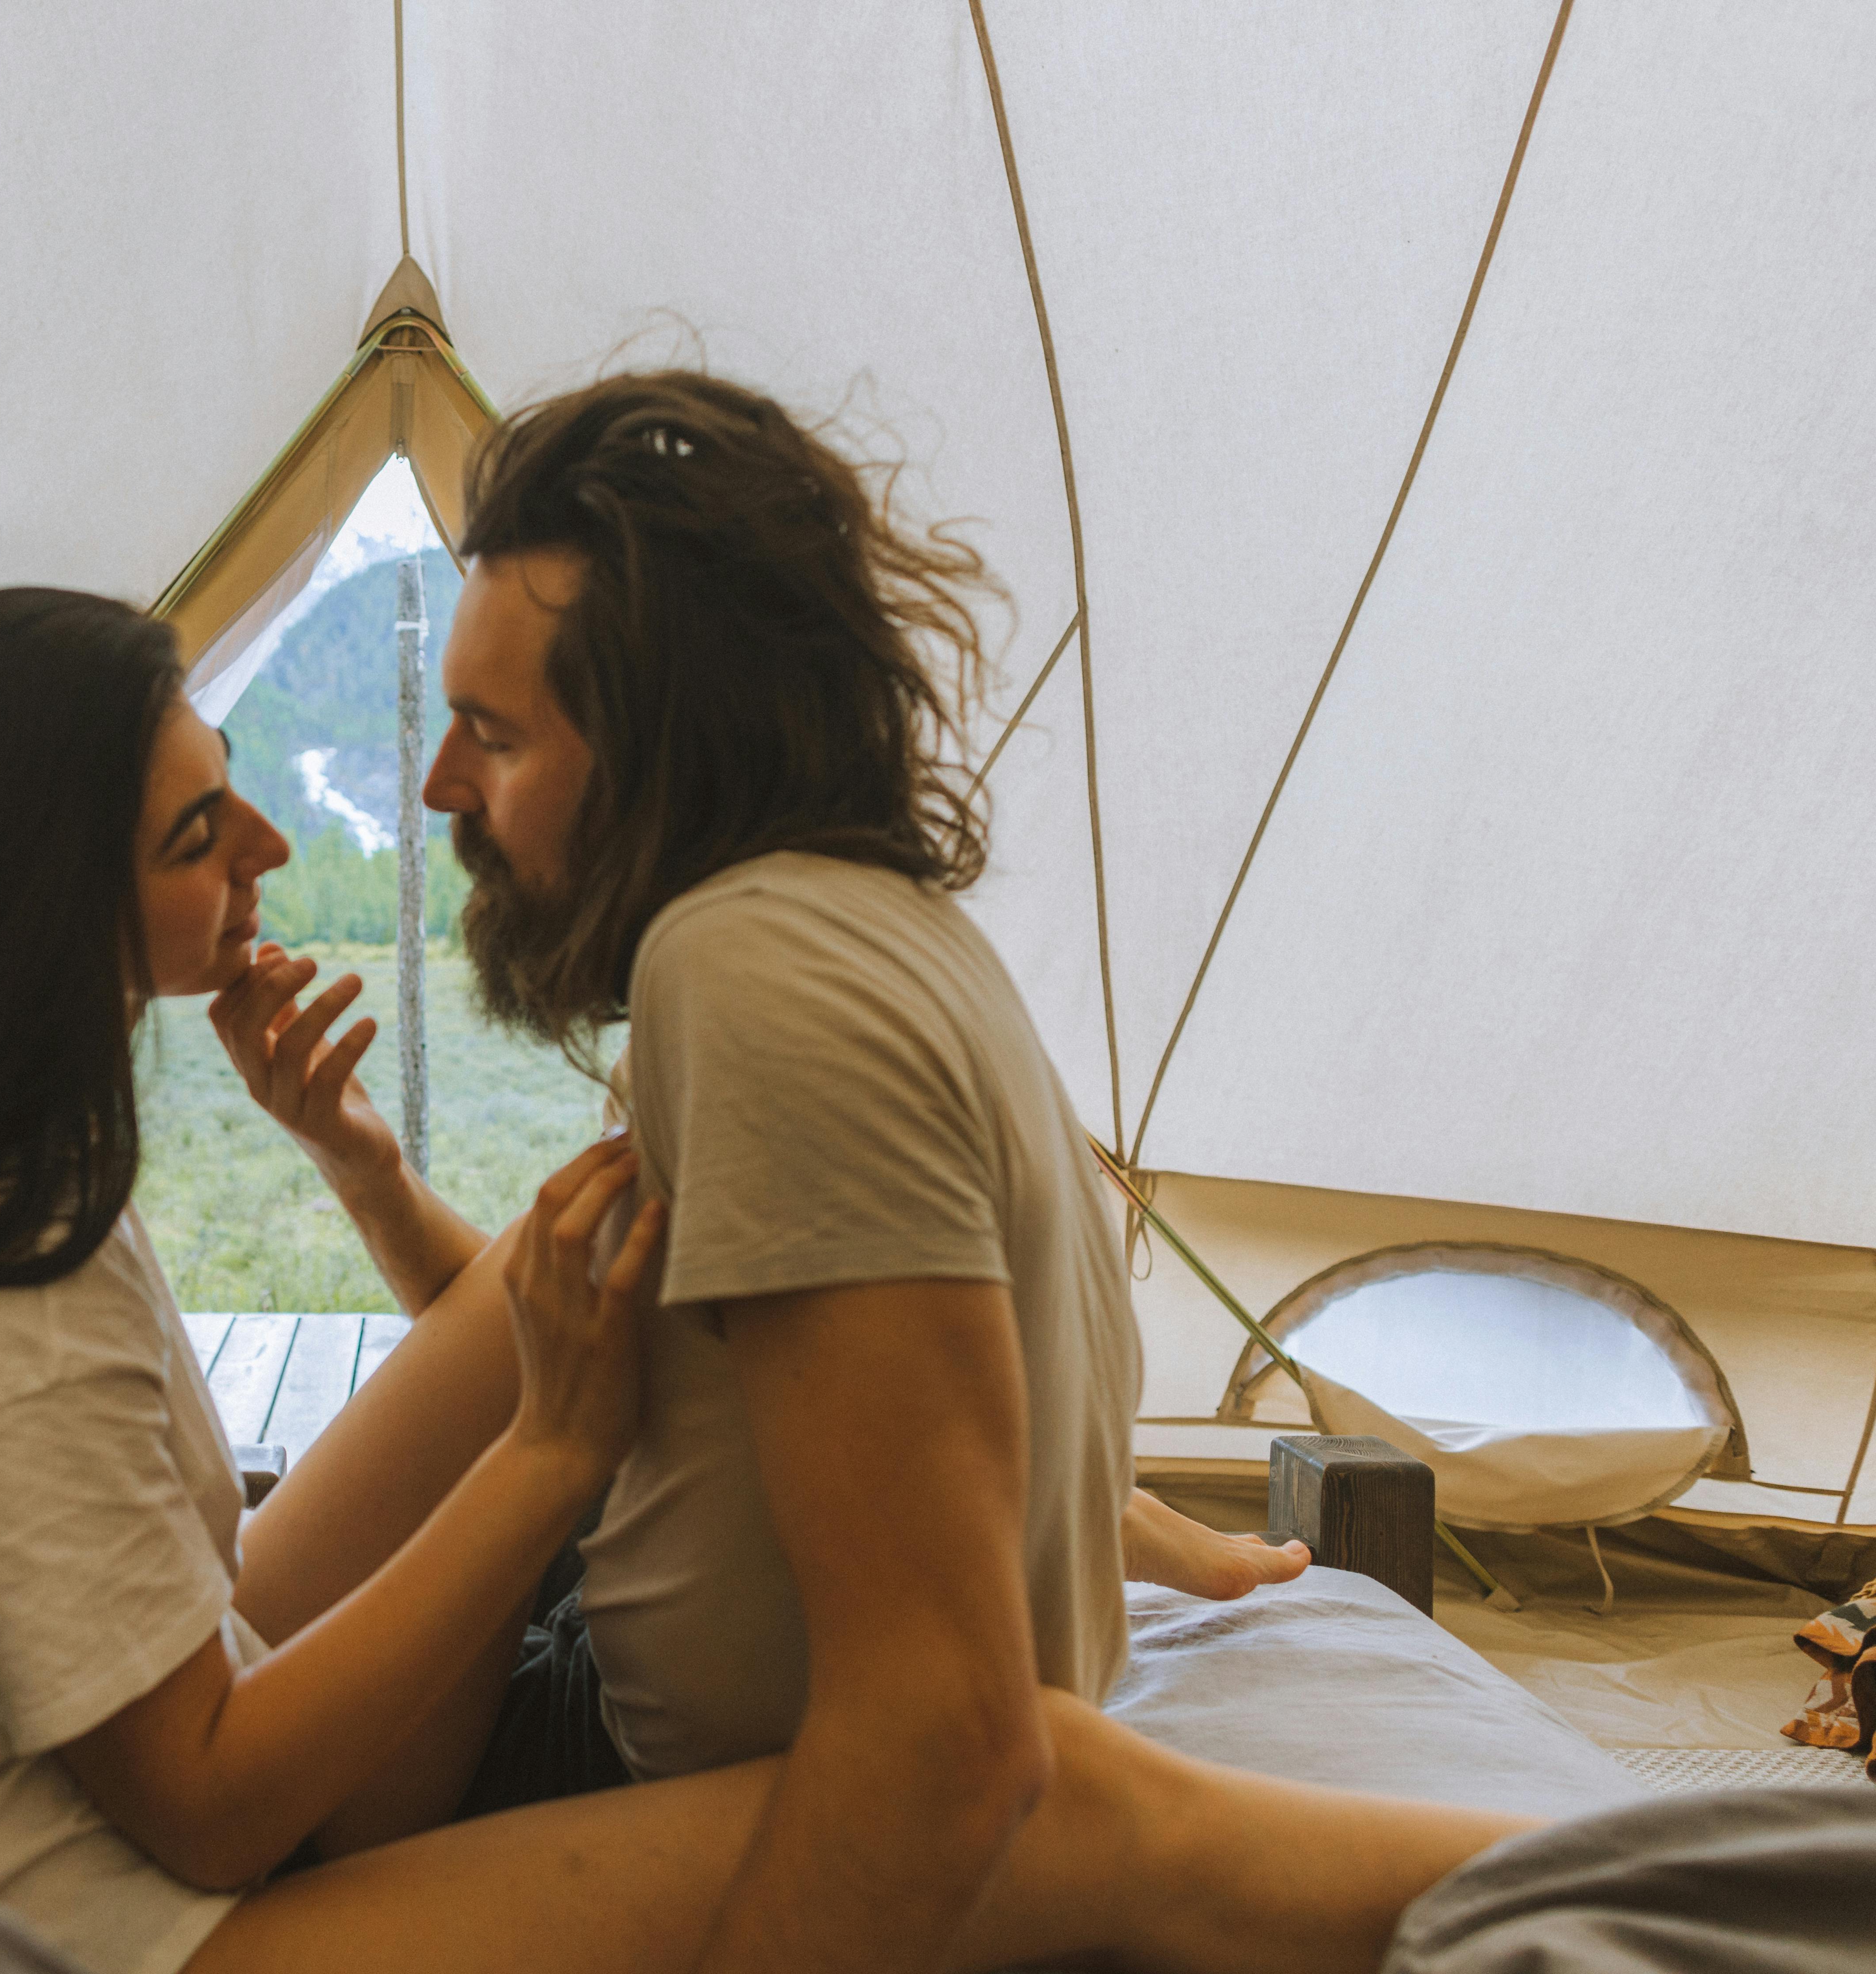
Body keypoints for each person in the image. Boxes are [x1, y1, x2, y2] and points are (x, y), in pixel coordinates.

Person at [0, 585, 1526, 1974]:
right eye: (203, 832)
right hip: (128, 1924)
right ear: (34, 899)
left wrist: (371, 1183)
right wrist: (550, 1453)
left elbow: (193, 1627)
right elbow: (205, 1803)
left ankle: (1123, 1525)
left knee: (583, 1249)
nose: (276, 847)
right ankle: (1644, 1881)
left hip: (132, 1761)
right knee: (1057, 1794)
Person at [200, 367, 1373, 1963]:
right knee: (578, 1252)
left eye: (491, 734)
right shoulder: (855, 930)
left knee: (225, 1753)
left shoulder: (752, 976)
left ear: (662, 747)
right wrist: (364, 1169)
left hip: (636, 1773)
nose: (437, 788)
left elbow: (944, 1741)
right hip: (623, 1653)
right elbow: (591, 1346)